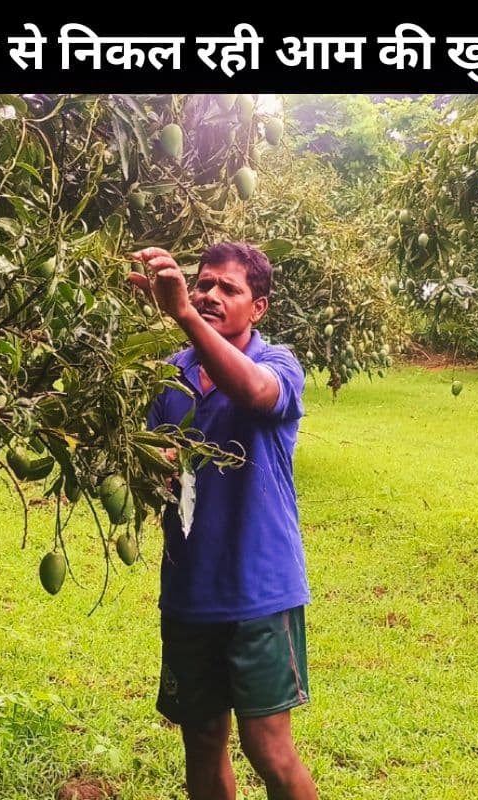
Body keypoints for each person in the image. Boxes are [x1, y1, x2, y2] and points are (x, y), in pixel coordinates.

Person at [128, 242, 318, 800]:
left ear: (257, 307)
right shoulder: (168, 376)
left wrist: (184, 314)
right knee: (204, 741)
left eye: (227, 288)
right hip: (190, 590)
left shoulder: (277, 364)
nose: (209, 295)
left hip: (260, 589)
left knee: (268, 748)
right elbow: (158, 462)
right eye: (203, 284)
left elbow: (255, 392)